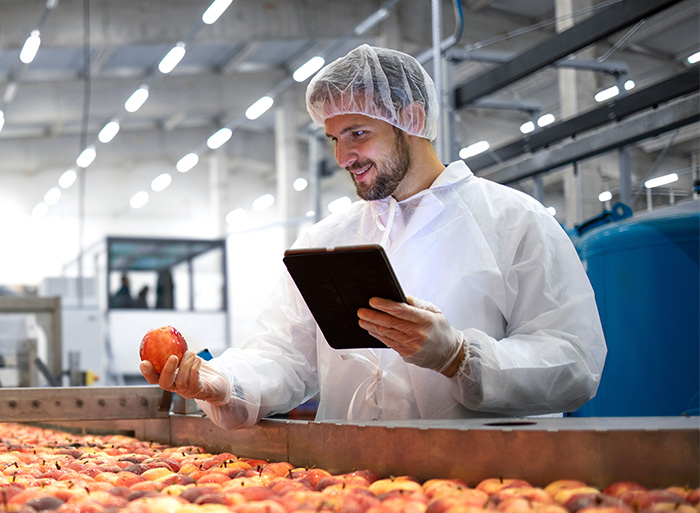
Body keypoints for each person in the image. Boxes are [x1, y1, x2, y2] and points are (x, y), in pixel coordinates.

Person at [140, 44, 606, 429]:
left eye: (357, 133)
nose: (343, 156)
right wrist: (222, 383)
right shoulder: (326, 241)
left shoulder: (514, 222)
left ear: (412, 117)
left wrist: (461, 357)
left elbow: (574, 362)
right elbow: (282, 353)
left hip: (487, 487)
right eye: (334, 138)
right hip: (355, 483)